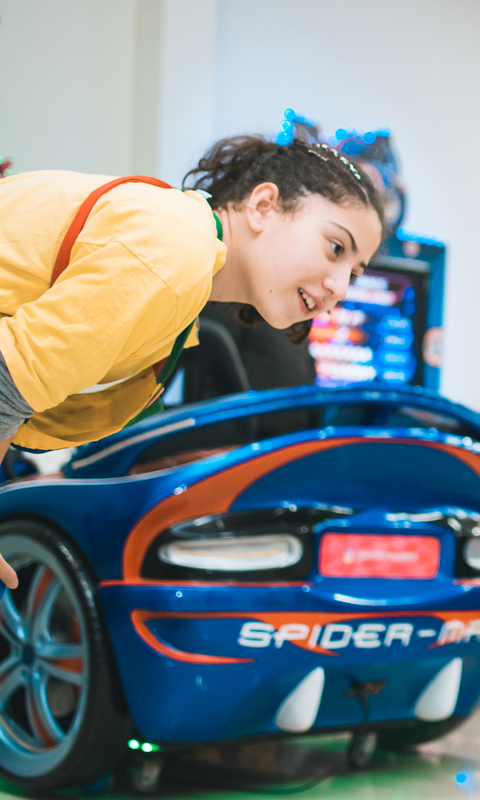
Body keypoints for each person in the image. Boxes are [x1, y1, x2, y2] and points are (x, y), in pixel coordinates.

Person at [0, 135, 387, 591]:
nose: (340, 287)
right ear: (263, 205)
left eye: (354, 274)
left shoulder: (185, 269)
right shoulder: (175, 249)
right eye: (336, 249)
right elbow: (10, 381)